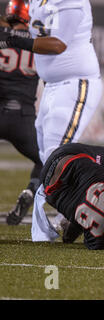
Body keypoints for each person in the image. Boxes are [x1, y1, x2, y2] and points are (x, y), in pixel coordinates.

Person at [0, 0, 103, 239]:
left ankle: (85, 210)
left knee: (57, 156)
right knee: (48, 158)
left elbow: (58, 45)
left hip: (76, 82)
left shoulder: (70, 2)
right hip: (52, 87)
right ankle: (77, 211)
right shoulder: (37, 2)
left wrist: (12, 39)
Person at [0, 0, 42, 225]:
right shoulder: (39, 43)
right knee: (46, 160)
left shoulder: (3, 38)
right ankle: (30, 191)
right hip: (24, 119)